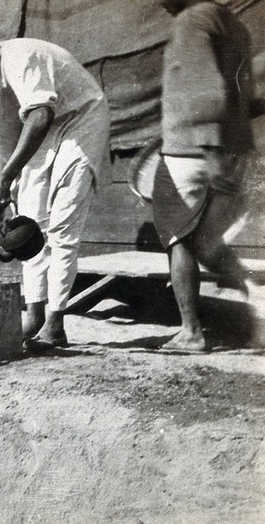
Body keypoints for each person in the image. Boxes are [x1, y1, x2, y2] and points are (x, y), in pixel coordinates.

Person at [0, 3, 111, 350]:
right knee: (29, 220)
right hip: (41, 131)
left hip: (78, 119)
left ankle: (55, 324)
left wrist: (4, 179)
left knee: (61, 225)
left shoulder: (18, 56)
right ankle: (35, 313)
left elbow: (41, 114)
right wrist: (4, 195)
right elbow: (5, 147)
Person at [153, 0, 263, 352]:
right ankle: (260, 306)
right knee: (206, 243)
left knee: (179, 238)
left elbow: (206, 86)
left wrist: (211, 149)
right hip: (232, 150)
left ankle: (191, 332)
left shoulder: (192, 20)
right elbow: (244, 95)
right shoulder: (233, 24)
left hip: (191, 151)